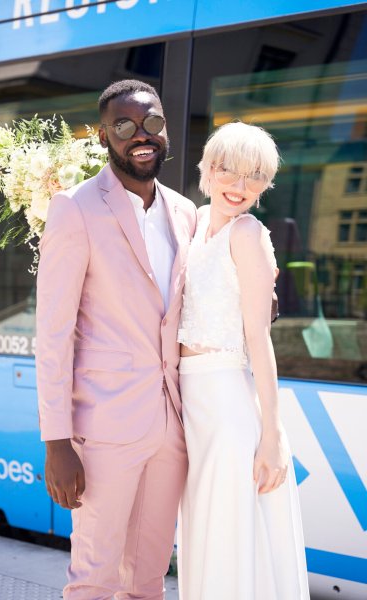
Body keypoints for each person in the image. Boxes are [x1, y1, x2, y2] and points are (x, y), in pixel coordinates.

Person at [35, 79, 197, 600]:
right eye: (124, 126)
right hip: (104, 431)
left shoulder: (185, 213)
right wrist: (56, 441)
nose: (140, 135)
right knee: (94, 580)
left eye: (151, 122)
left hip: (171, 427)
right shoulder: (75, 208)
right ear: (105, 136)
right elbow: (53, 335)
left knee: (149, 578)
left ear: (165, 129)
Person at [177, 121, 310, 599]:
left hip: (228, 406)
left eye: (255, 177)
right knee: (204, 531)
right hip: (191, 406)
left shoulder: (249, 233)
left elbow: (260, 340)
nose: (240, 187)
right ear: (208, 170)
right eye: (230, 172)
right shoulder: (191, 223)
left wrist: (271, 434)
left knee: (232, 536)